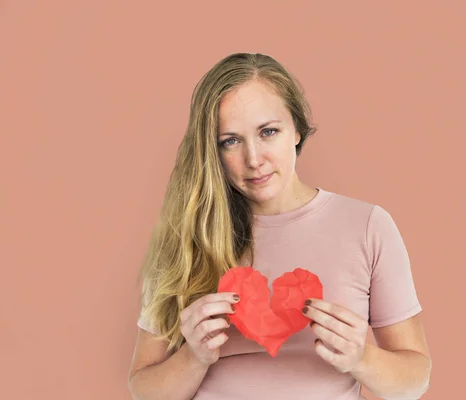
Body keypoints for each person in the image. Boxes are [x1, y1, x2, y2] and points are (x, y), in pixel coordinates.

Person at [127, 52, 431, 400]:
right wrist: (194, 357)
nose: (253, 159)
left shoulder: (367, 226)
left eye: (268, 132)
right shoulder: (188, 237)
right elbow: (143, 389)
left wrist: (362, 358)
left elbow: (414, 380)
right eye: (230, 141)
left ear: (297, 129)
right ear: (212, 149)